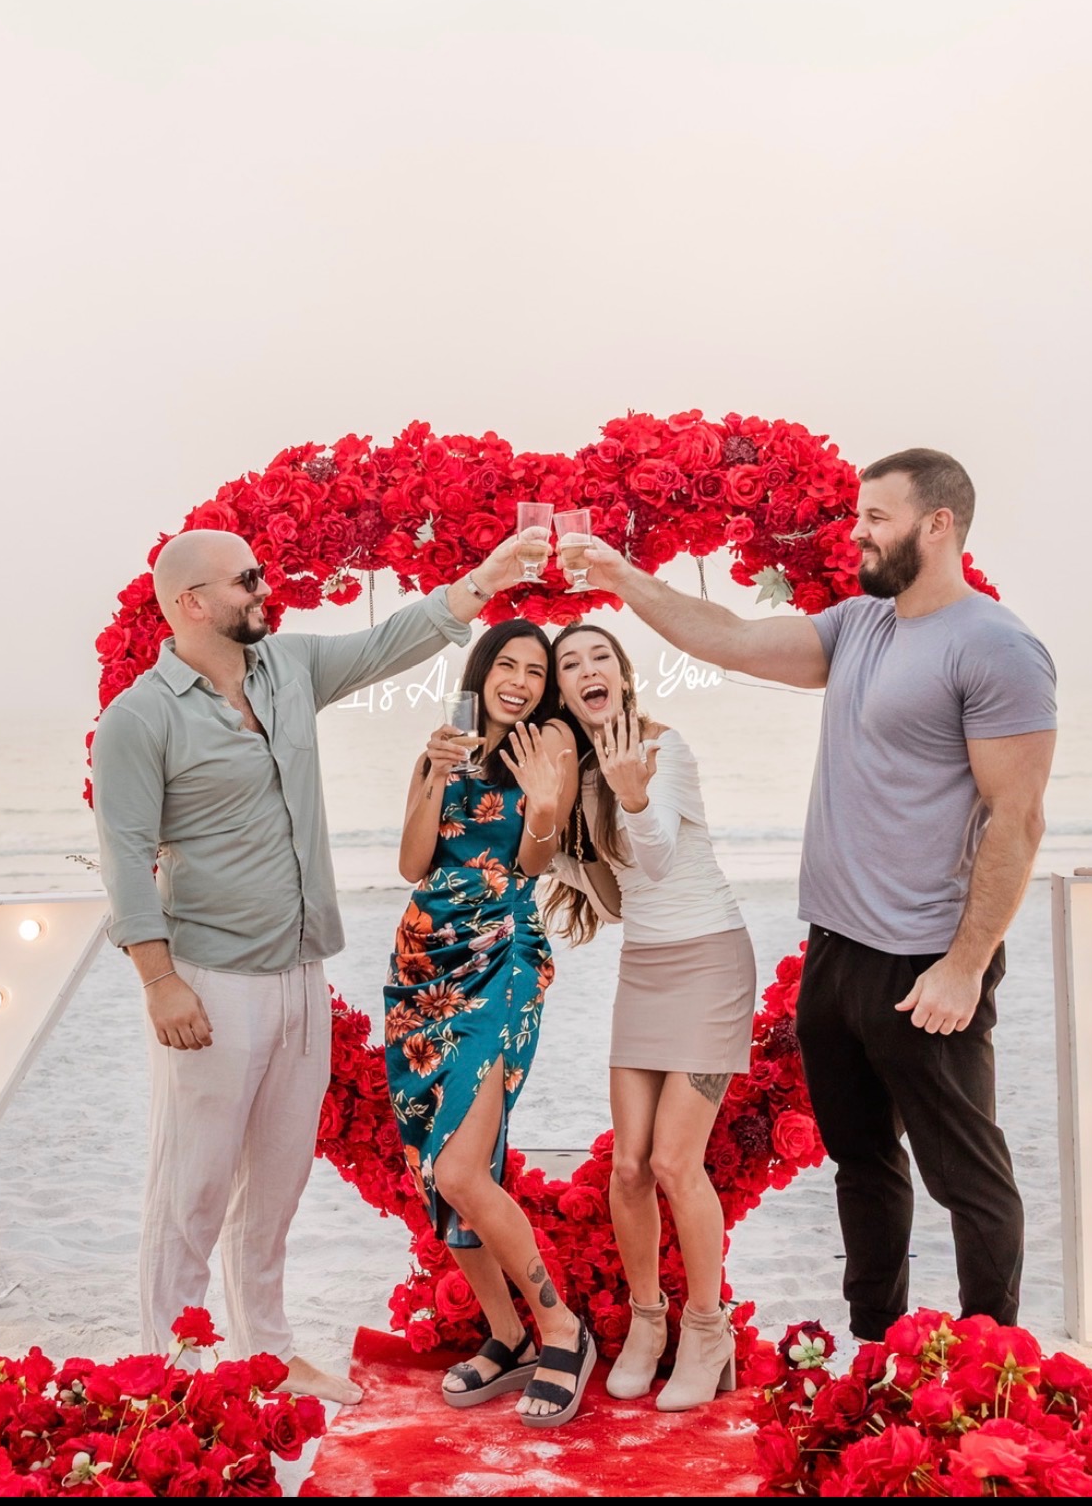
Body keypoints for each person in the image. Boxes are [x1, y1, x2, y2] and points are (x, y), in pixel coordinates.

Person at [568, 448, 1057, 1342]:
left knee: (967, 1175)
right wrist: (616, 574)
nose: (857, 531)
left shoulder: (997, 646)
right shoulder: (860, 625)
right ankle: (875, 1343)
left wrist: (963, 963)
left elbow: (1015, 820)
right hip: (836, 949)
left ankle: (992, 1364)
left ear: (937, 524)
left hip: (924, 958)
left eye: (877, 516)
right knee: (860, 1161)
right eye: (858, 514)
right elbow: (724, 635)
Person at [91, 525, 527, 1403]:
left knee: (278, 1179)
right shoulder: (138, 717)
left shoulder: (287, 667)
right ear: (190, 603)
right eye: (245, 578)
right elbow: (124, 854)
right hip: (209, 979)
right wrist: (159, 979)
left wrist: (482, 581)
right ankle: (172, 1373)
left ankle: (269, 1352)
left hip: (300, 971)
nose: (264, 587)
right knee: (194, 1185)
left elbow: (384, 643)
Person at [384, 620, 597, 1429]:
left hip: (500, 958)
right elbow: (412, 863)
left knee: (465, 1169)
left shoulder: (549, 751)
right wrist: (431, 777)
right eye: (505, 664)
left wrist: (543, 805)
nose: (518, 680)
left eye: (534, 671)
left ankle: (559, 1330)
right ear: (481, 671)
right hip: (419, 965)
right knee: (438, 1173)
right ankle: (505, 1335)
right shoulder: (443, 745)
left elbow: (536, 862)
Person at [543, 623, 757, 1411]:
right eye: (570, 664)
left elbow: (660, 856)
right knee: (626, 1167)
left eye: (599, 656)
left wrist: (632, 792)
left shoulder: (665, 747)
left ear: (623, 676)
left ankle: (707, 1328)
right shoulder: (579, 773)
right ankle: (646, 1323)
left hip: (709, 961)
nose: (586, 669)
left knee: (673, 1162)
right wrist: (550, 831)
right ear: (562, 693)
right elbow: (611, 893)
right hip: (646, 968)